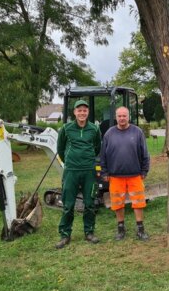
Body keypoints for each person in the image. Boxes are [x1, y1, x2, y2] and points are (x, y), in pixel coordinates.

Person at [55, 100, 102, 249]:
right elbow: (60, 149)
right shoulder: (66, 129)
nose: (82, 113)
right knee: (68, 204)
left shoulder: (94, 129)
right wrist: (71, 161)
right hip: (71, 171)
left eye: (84, 111)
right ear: (74, 112)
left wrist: (86, 160)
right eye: (79, 110)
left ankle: (89, 232)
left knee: (90, 203)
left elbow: (97, 148)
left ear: (87, 113)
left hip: (89, 171)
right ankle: (65, 235)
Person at [100, 106, 150, 241]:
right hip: (115, 176)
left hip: (135, 175)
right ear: (116, 117)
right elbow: (103, 155)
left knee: (139, 202)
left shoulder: (137, 132)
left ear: (129, 117)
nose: (122, 118)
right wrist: (104, 172)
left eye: (124, 116)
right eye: (119, 116)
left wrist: (144, 170)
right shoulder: (109, 134)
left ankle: (140, 230)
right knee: (117, 203)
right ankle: (121, 230)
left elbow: (145, 153)